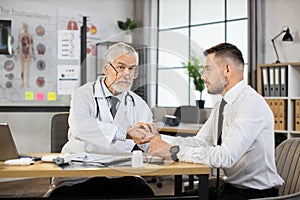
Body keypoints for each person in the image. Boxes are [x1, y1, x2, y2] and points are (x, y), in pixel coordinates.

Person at [150, 43, 284, 200]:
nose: (203, 76)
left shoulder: (250, 103)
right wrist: (157, 138)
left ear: (227, 70)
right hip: (230, 187)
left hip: (254, 194)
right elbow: (200, 142)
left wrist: (174, 151)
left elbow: (225, 157)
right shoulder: (222, 105)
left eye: (208, 69)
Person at [46, 42, 157, 198]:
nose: (127, 74)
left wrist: (169, 147)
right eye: (121, 67)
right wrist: (125, 133)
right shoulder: (83, 95)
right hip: (81, 174)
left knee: (143, 193)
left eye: (132, 69)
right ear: (106, 68)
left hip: (120, 174)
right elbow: (82, 128)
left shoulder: (139, 105)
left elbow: (149, 144)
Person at [18, 22, 36, 88]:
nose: (25, 28)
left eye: (26, 26)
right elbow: (18, 45)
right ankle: (22, 83)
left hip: (29, 53)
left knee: (28, 69)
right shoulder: (21, 35)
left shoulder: (30, 36)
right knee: (22, 69)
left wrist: (34, 55)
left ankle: (27, 83)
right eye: (24, 26)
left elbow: (32, 46)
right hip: (22, 53)